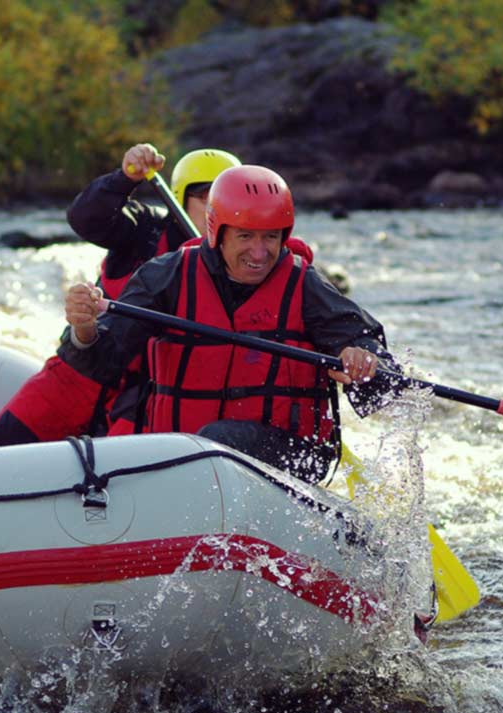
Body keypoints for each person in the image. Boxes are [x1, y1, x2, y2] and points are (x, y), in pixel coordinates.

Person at [58, 164, 399, 483]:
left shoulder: (305, 285)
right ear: (217, 232)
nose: (260, 252)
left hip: (293, 459)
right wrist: (84, 330)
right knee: (205, 447)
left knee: (216, 443)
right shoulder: (167, 275)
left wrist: (364, 360)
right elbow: (102, 360)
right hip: (183, 455)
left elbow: (371, 351)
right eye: (245, 236)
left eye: (270, 237)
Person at [0, 144, 317, 449]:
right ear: (180, 197)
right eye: (205, 197)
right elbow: (85, 218)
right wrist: (124, 178)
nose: (217, 207)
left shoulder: (252, 259)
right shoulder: (144, 229)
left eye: (224, 198)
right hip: (87, 366)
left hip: (147, 387)